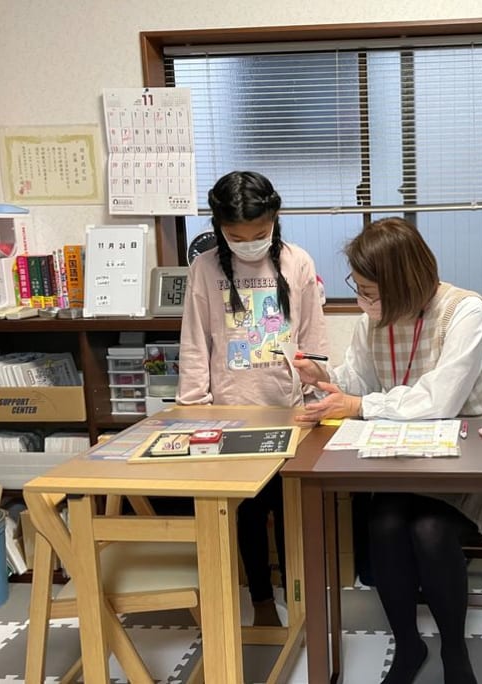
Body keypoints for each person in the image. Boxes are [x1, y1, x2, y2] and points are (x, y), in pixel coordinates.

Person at [294, 217, 482, 684]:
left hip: (473, 448)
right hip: (404, 451)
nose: (362, 302)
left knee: (431, 530)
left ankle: (454, 650)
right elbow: (359, 380)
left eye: (369, 292)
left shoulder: (464, 311)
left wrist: (359, 405)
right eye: (358, 290)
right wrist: (326, 378)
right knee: (384, 524)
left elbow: (440, 402)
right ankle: (408, 645)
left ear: (403, 283)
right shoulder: (372, 320)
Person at [177, 170, 328, 626]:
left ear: (274, 219)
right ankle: (262, 602)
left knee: (289, 511)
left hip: (290, 412)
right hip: (230, 415)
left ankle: (298, 602)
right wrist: (194, 408)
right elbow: (195, 342)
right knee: (249, 513)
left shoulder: (297, 262)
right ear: (220, 228)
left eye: (258, 234)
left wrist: (318, 391)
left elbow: (313, 337)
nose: (248, 244)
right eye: (236, 237)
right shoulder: (204, 269)